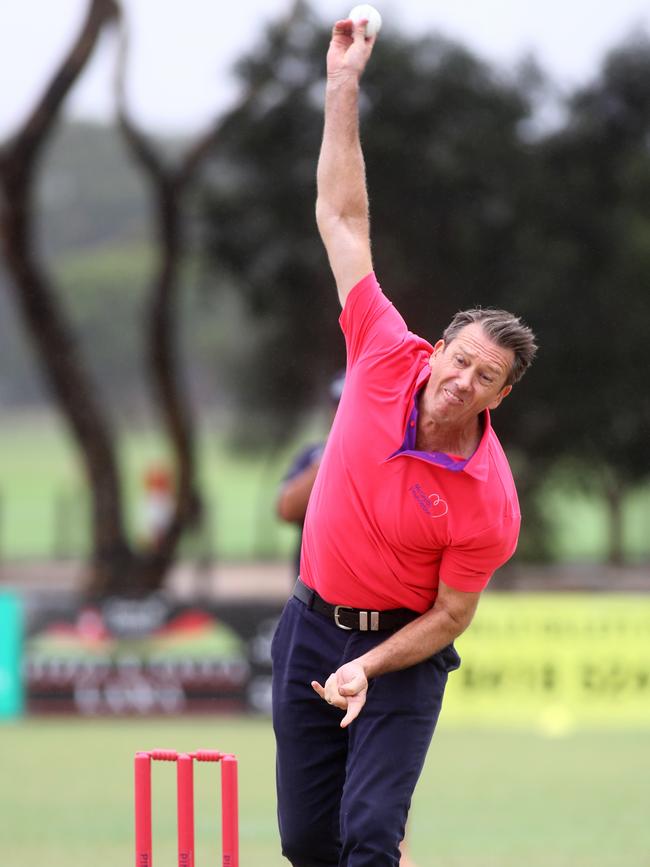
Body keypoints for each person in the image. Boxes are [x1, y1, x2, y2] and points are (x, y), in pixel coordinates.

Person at [271, 15, 538, 867]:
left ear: (503, 393)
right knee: (308, 841)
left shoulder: (488, 496)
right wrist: (342, 83)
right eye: (459, 361)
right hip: (310, 626)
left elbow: (453, 614)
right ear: (439, 350)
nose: (462, 381)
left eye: (485, 377)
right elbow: (342, 216)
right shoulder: (385, 349)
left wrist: (372, 665)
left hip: (403, 651)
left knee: (369, 840)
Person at [276, 372, 419, 867]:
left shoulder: (403, 451)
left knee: (375, 811)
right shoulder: (318, 455)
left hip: (388, 629)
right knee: (307, 830)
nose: (345, 408)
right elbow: (286, 507)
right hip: (315, 616)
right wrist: (335, 453)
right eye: (338, 402)